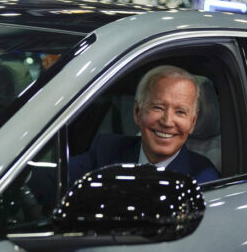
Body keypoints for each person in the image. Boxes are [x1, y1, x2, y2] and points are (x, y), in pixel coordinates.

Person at [69, 65, 220, 184]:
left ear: (193, 122)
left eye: (180, 112)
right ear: (137, 112)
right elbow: (53, 179)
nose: (167, 122)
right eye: (158, 107)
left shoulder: (203, 178)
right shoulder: (106, 151)